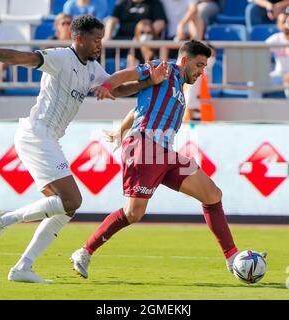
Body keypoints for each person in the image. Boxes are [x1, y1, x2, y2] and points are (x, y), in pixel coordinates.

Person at [0, 15, 169, 283]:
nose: (100, 44)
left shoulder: (93, 69)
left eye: (101, 39)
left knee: (65, 208)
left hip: (48, 139)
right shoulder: (61, 57)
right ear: (78, 38)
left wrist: (149, 82)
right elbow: (20, 58)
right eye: (96, 39)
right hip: (36, 135)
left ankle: (22, 268)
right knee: (73, 200)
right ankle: (3, 220)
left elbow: (117, 89)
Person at [70, 40, 261, 279]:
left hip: (165, 152)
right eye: (199, 65)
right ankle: (85, 252)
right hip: (144, 147)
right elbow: (125, 74)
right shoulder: (164, 68)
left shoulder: (178, 87)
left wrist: (120, 130)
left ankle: (233, 258)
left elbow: (139, 108)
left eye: (204, 67)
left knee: (212, 194)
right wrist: (107, 86)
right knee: (133, 214)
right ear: (184, 60)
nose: (201, 72)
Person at [248, 12, 289, 99]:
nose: (287, 25)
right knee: (253, 83)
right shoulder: (275, 38)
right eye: (283, 22)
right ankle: (254, 111)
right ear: (278, 25)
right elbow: (260, 53)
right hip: (279, 75)